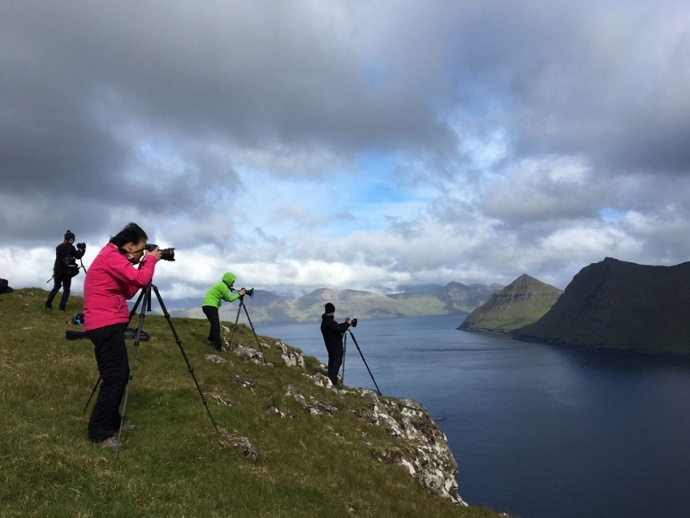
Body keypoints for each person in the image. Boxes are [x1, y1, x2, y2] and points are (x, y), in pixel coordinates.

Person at [83, 223, 161, 449]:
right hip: (104, 324)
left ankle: (113, 421)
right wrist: (150, 262)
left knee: (121, 374)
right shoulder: (111, 255)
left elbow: (128, 289)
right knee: (115, 378)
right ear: (130, 245)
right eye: (141, 249)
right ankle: (99, 432)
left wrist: (142, 265)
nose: (141, 255)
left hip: (111, 322)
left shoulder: (114, 257)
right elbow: (139, 280)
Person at [202, 272, 246, 351]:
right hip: (211, 306)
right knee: (216, 327)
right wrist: (239, 294)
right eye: (233, 281)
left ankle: (210, 340)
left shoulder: (222, 285)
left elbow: (225, 298)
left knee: (214, 324)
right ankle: (218, 347)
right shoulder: (223, 286)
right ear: (229, 280)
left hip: (207, 306)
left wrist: (237, 293)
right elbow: (229, 299)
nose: (233, 283)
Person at [44, 230, 86, 311]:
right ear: (71, 239)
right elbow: (78, 256)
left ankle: (48, 304)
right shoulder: (71, 247)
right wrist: (83, 250)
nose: (74, 241)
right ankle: (61, 308)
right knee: (66, 290)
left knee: (56, 287)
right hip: (66, 271)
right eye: (74, 239)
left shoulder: (58, 247)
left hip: (57, 270)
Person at [320, 302, 352, 387]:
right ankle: (333, 382)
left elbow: (336, 327)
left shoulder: (324, 322)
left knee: (331, 361)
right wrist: (348, 324)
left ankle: (330, 379)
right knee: (337, 363)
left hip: (330, 347)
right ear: (332, 311)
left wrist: (345, 324)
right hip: (336, 347)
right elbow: (339, 330)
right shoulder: (330, 322)